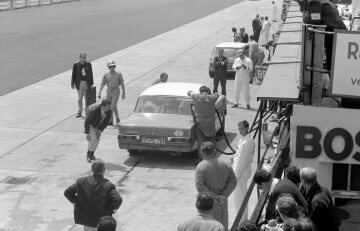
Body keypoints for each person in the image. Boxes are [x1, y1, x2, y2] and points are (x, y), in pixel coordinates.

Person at [64, 159, 122, 231]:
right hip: (101, 222)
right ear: (104, 170)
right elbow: (118, 199)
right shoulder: (108, 185)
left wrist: (77, 202)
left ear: (92, 169)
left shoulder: (81, 181)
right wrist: (112, 209)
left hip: (86, 219)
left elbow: (67, 192)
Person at [195, 141, 237, 230]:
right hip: (222, 201)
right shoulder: (226, 164)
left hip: (208, 203)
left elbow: (200, 186)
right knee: (222, 225)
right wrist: (224, 195)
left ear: (202, 152)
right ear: (214, 151)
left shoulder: (201, 167)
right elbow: (233, 181)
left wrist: (214, 197)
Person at [232, 120, 255, 222]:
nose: (240, 131)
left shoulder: (247, 141)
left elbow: (242, 160)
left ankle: (241, 220)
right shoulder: (244, 139)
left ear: (247, 128)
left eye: (242, 128)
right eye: (239, 129)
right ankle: (241, 219)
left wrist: (236, 174)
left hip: (240, 174)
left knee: (240, 198)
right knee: (240, 197)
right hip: (241, 172)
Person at [188, 87, 219, 158]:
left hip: (200, 125)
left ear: (200, 92)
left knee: (201, 142)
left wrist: (193, 92)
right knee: (211, 141)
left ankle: (202, 158)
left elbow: (189, 92)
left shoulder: (197, 97)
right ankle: (213, 157)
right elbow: (217, 94)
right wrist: (210, 94)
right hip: (210, 125)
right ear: (208, 91)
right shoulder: (212, 98)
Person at [98, 60, 126, 125]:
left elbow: (122, 83)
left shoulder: (119, 74)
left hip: (116, 91)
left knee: (112, 106)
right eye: (111, 66)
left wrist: (124, 92)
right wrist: (99, 92)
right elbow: (102, 84)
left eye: (113, 66)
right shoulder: (106, 75)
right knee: (111, 106)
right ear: (108, 67)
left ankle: (112, 120)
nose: (112, 67)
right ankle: (114, 120)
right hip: (109, 91)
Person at [71, 53, 94, 118]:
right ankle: (79, 112)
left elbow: (91, 74)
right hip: (79, 83)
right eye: (83, 57)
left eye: (85, 58)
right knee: (79, 99)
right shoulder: (76, 65)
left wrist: (92, 83)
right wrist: (72, 84)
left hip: (87, 83)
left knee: (87, 99)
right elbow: (73, 75)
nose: (84, 59)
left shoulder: (88, 64)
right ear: (80, 57)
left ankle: (87, 112)